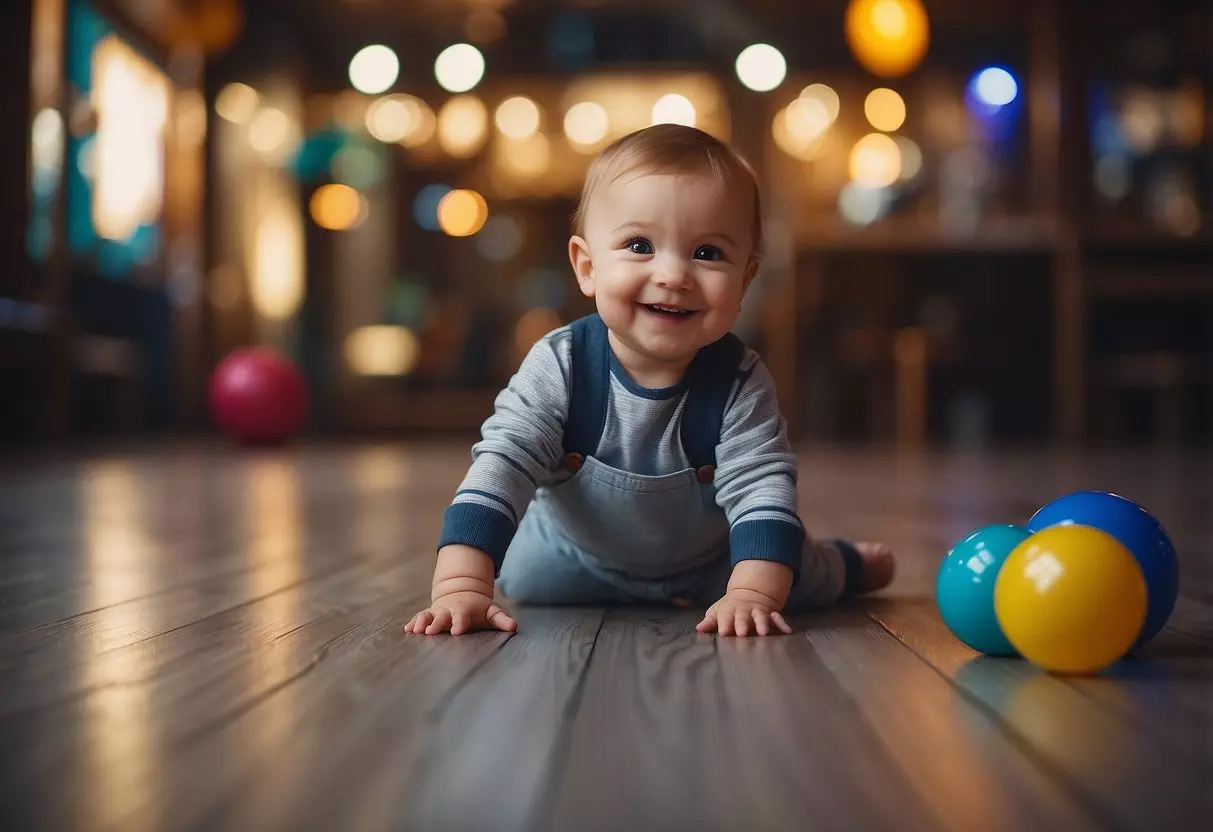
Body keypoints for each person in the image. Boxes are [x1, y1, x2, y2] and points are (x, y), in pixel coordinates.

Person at [406, 124, 895, 638]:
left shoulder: (739, 380)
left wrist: (749, 593)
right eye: (640, 245)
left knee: (791, 572)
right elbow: (502, 465)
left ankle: (844, 565)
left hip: (713, 562)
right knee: (521, 574)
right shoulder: (561, 365)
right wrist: (459, 586)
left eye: (707, 253)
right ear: (587, 267)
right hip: (570, 555)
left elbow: (762, 489)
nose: (673, 274)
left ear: (746, 279)